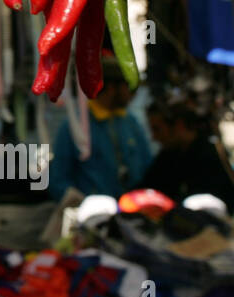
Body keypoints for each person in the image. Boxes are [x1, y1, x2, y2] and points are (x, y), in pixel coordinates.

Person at [48, 57, 155, 201]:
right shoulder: (74, 128)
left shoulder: (131, 123)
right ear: (112, 88)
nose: (134, 95)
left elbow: (149, 169)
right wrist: (80, 203)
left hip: (132, 212)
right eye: (130, 87)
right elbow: (59, 180)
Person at [140, 98, 234, 210]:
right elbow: (146, 189)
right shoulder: (168, 156)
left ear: (179, 125)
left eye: (157, 129)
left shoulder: (208, 157)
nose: (154, 137)